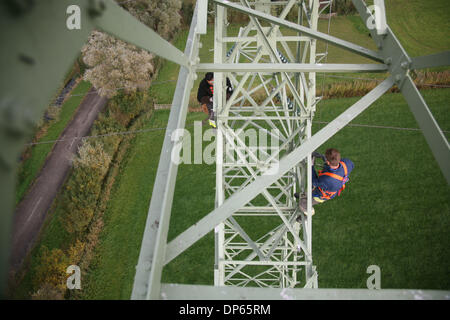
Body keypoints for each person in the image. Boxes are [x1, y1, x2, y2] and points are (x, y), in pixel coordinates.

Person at [295, 148, 354, 217]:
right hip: (333, 183)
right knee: (310, 191)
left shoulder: (327, 179)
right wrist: (322, 157)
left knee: (303, 203)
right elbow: (350, 165)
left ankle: (307, 214)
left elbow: (314, 182)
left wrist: (311, 166)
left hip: (323, 194)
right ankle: (305, 195)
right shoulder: (347, 163)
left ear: (328, 162)